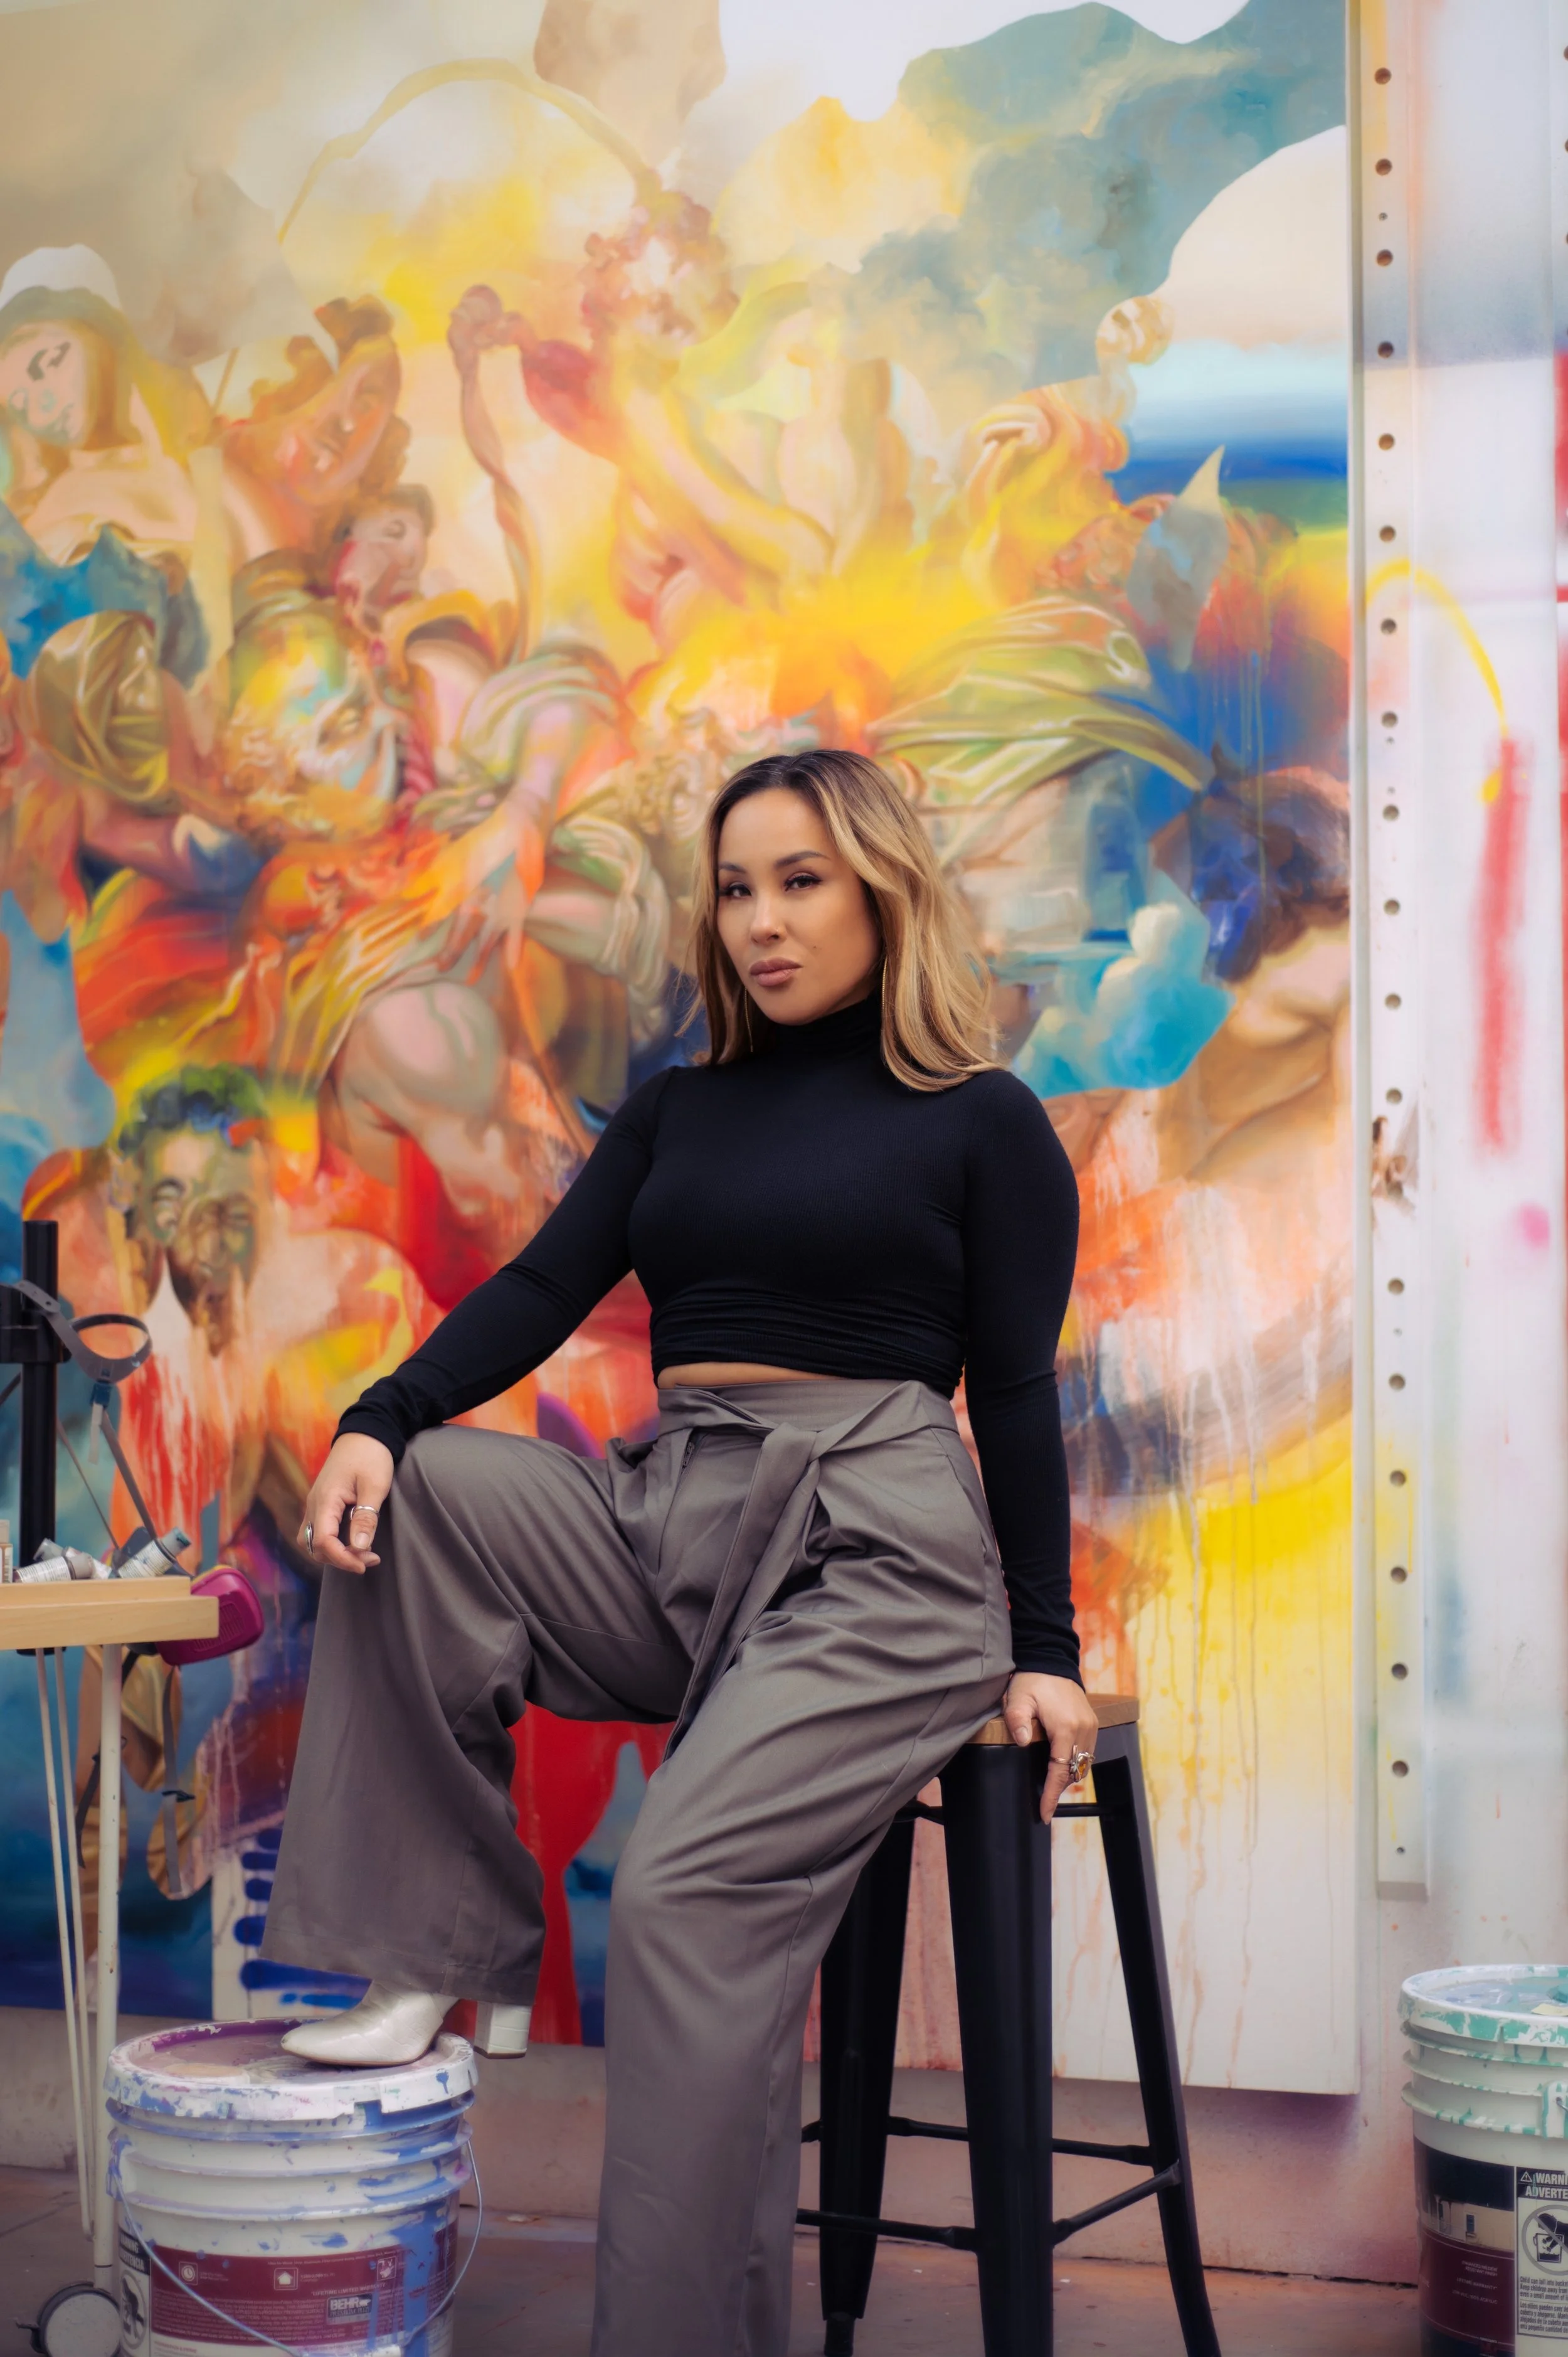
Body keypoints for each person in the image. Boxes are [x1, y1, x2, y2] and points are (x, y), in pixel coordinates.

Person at [262, 747, 1093, 2357]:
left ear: (880, 893)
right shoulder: (678, 1111)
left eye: (800, 883)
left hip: (877, 1553)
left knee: (681, 1899)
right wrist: (378, 1412)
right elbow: (536, 1294)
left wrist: (1042, 1646)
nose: (763, 923)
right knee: (422, 1489)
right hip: (676, 1515)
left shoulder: (985, 1122)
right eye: (735, 889)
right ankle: (434, 1955)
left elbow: (1013, 1390)